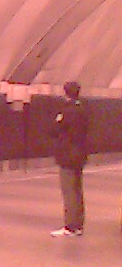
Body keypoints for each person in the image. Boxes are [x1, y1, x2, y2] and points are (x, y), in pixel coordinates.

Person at [50, 81, 89, 237]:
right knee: (78, 190)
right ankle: (78, 224)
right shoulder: (83, 109)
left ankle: (70, 226)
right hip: (80, 153)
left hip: (67, 154)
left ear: (65, 93)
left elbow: (54, 129)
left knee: (68, 191)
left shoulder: (66, 111)